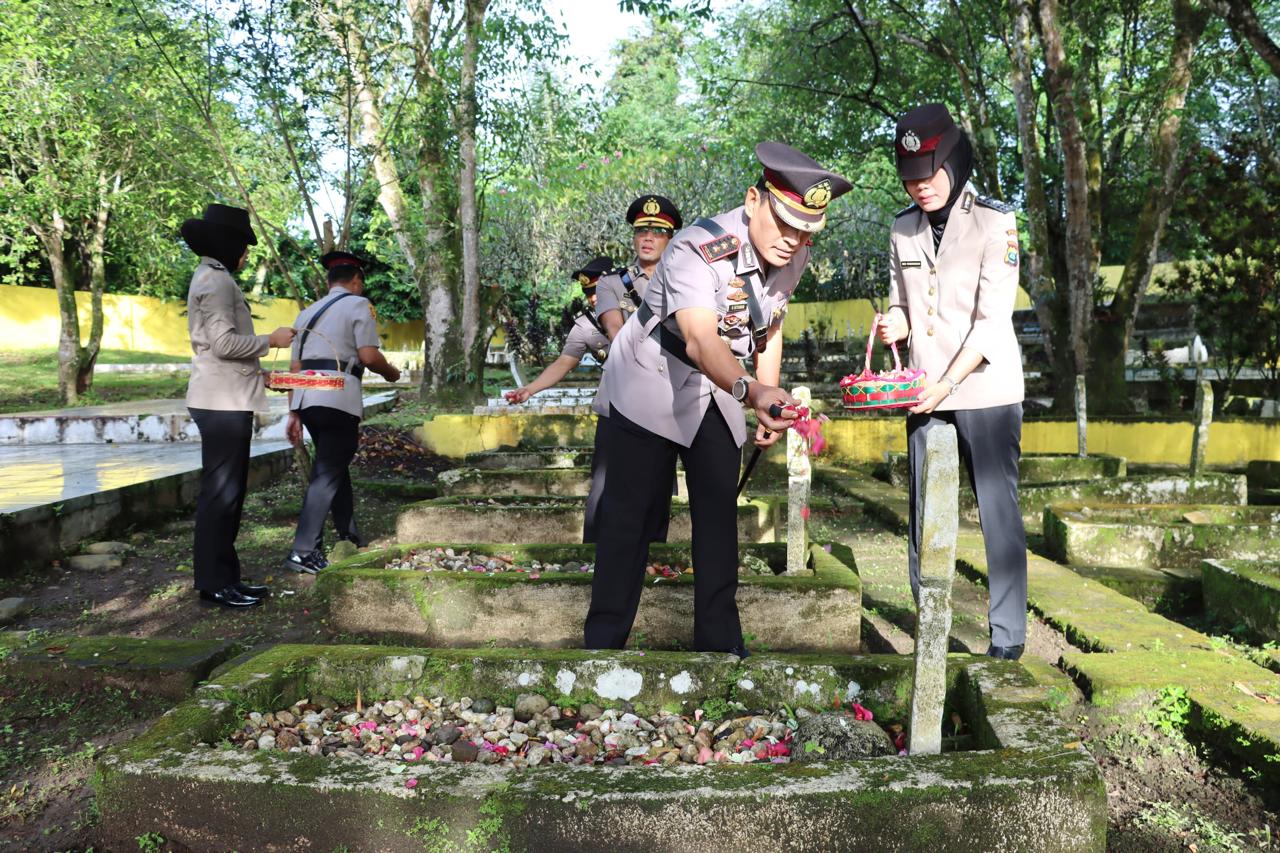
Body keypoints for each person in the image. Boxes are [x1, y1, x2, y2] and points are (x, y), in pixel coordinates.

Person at [585, 142, 851, 653]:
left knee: (718, 519)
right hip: (650, 381)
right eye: (786, 224)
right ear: (754, 201)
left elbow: (768, 327)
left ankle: (721, 647)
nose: (794, 241)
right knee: (628, 522)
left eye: (806, 231)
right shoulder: (693, 248)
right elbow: (700, 340)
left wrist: (769, 400)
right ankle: (602, 646)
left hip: (720, 387)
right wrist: (755, 392)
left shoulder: (791, 253)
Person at [878, 103, 1028, 659]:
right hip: (923, 390)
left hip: (985, 389)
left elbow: (993, 322)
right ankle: (930, 625)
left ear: (955, 162)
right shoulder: (901, 229)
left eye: (930, 175)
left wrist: (946, 384)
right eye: (911, 179)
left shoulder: (995, 222)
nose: (921, 188)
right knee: (923, 512)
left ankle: (1007, 642)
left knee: (997, 513)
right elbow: (905, 304)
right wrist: (895, 320)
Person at [182, 203, 295, 609]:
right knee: (222, 495)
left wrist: (259, 374)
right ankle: (215, 583)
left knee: (227, 494)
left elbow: (219, 351)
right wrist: (272, 340)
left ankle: (224, 578)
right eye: (243, 246)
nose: (246, 255)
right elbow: (224, 344)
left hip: (224, 395)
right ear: (227, 244)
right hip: (221, 403)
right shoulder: (217, 283)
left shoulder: (214, 277)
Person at [282, 251, 401, 574]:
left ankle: (349, 534)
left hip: (306, 397)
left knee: (332, 464)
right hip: (336, 396)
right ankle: (303, 550)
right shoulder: (358, 305)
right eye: (361, 281)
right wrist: (392, 373)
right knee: (329, 469)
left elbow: (295, 366)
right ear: (356, 281)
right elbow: (368, 355)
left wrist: (293, 411)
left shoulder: (305, 313)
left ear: (329, 280)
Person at [596, 195, 682, 340]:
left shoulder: (685, 280)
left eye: (658, 232)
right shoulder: (611, 282)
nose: (648, 237)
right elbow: (614, 329)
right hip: (627, 359)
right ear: (634, 238)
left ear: (670, 240)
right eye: (642, 230)